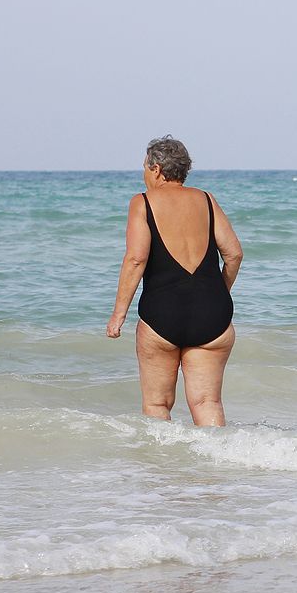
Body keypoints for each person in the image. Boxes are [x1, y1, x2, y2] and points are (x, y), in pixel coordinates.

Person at [106, 136, 244, 426]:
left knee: (157, 404)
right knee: (207, 402)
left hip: (162, 317)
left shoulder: (142, 203)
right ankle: (214, 468)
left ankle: (161, 470)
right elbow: (233, 254)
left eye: (144, 167)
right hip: (213, 317)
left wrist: (118, 316)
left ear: (156, 169)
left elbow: (136, 259)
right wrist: (219, 293)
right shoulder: (206, 200)